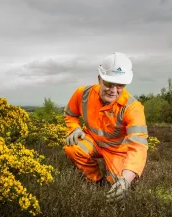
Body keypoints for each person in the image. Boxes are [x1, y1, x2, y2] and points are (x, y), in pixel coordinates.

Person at [62, 52, 148, 202]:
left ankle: (119, 179)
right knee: (72, 147)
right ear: (99, 79)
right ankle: (95, 181)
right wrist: (75, 129)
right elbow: (70, 114)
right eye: (108, 83)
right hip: (93, 142)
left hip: (117, 151)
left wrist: (126, 179)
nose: (113, 90)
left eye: (120, 85)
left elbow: (138, 146)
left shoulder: (133, 108)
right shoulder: (83, 94)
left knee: (121, 186)